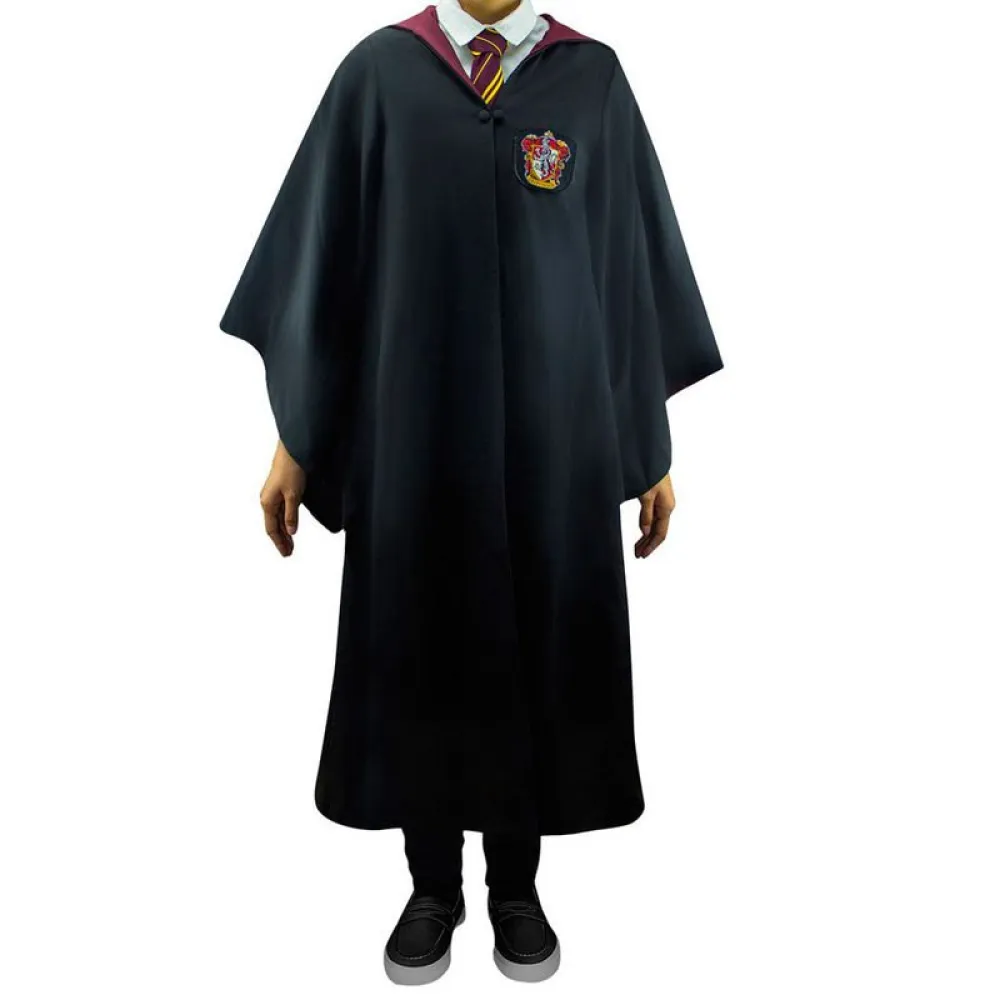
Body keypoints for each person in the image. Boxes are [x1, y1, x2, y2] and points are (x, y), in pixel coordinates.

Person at [220, 0, 724, 985]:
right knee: (423, 639)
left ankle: (516, 887)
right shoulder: (380, 75)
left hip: (554, 439)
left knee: (536, 640)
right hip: (416, 428)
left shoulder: (592, 79)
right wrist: (296, 439)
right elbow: (326, 261)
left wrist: (647, 446)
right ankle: (431, 886)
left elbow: (626, 270)